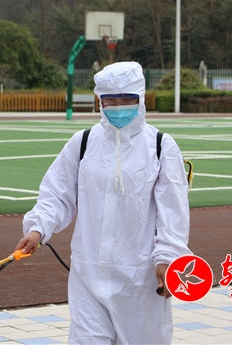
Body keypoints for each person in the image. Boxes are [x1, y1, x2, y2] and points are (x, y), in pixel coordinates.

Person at [15, 61, 191, 344]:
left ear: (140, 98)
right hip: (88, 274)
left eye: (126, 100)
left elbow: (172, 212)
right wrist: (38, 229)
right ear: (100, 101)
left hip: (139, 277)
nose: (118, 107)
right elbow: (57, 192)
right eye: (110, 100)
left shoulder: (160, 146)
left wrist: (168, 258)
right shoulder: (83, 143)